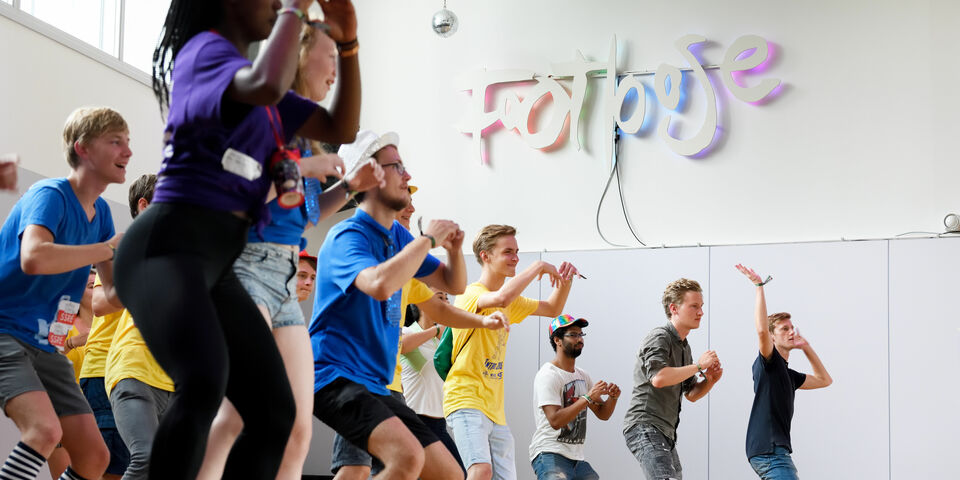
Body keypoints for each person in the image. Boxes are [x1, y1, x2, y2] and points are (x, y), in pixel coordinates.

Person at [113, 0, 364, 477]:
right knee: (205, 382)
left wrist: (349, 43)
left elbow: (341, 127)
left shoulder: (267, 103)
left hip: (214, 266)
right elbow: (267, 84)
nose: (276, 4)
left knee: (275, 412)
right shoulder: (203, 52)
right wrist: (294, 9)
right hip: (165, 247)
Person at [196, 16, 382, 480]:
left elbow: (306, 212)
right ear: (299, 52)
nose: (336, 70)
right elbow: (236, 196)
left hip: (282, 278)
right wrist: (305, 167)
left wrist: (349, 188)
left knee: (299, 428)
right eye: (330, 55)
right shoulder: (260, 117)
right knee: (239, 411)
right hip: (244, 269)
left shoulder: (303, 131)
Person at [311, 130, 474, 480]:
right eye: (397, 166)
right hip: (334, 377)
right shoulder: (347, 236)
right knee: (404, 457)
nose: (408, 175)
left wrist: (456, 251)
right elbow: (380, 285)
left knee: (450, 475)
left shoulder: (397, 237)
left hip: (375, 385)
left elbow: (453, 284)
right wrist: (428, 239)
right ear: (370, 176)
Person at [0, 106, 126, 480]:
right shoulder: (50, 193)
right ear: (83, 149)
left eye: (128, 142)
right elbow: (34, 257)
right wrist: (109, 248)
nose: (128, 152)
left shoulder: (102, 213)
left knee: (94, 456)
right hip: (5, 331)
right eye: (115, 142)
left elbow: (112, 298)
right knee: (45, 431)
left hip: (44, 345)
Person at [444, 224, 580, 480]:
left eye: (517, 251)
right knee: (480, 470)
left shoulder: (510, 301)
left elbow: (552, 308)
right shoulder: (470, 293)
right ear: (485, 256)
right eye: (508, 251)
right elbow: (502, 298)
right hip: (465, 399)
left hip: (494, 408)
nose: (516, 257)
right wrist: (538, 266)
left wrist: (565, 279)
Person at [90, 174, 173, 480]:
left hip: (167, 374)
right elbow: (99, 304)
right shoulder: (128, 243)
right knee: (136, 461)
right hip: (123, 367)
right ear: (144, 204)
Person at [735, 265, 833, 480]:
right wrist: (759, 286)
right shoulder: (770, 363)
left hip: (774, 452)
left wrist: (806, 347)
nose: (791, 332)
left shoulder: (788, 375)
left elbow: (824, 380)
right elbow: (761, 330)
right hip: (770, 452)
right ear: (772, 337)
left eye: (791, 328)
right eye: (783, 329)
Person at [622, 278, 722, 480]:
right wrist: (699, 366)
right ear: (674, 308)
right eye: (694, 306)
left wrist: (710, 380)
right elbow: (659, 378)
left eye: (701, 306)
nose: (701, 312)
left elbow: (691, 394)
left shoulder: (684, 346)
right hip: (644, 425)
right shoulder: (660, 336)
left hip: (665, 433)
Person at [529, 314, 619, 480]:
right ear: (557, 340)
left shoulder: (582, 375)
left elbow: (603, 414)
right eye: (573, 335)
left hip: (577, 460)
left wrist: (613, 398)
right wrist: (587, 398)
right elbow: (555, 421)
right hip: (550, 453)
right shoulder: (548, 375)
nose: (579, 339)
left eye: (580, 335)